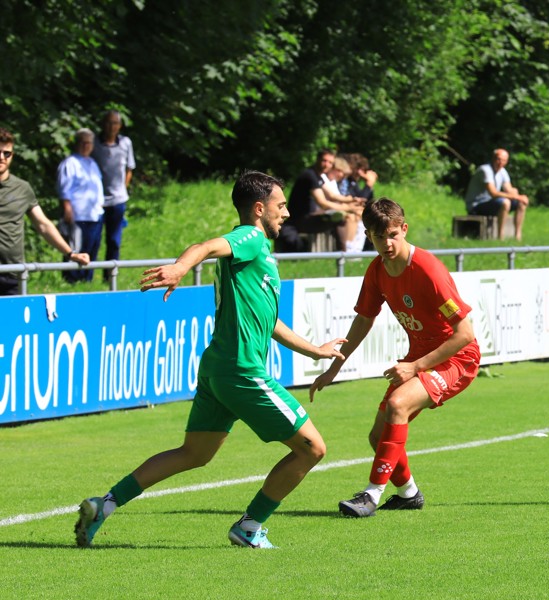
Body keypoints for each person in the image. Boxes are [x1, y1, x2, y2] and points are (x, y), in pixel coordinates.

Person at [74, 171, 347, 549]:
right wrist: (180, 267)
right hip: (241, 371)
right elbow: (204, 246)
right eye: (280, 206)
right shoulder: (250, 237)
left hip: (218, 367)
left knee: (194, 453)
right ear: (258, 208)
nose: (285, 213)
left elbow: (268, 321)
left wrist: (315, 350)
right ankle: (250, 527)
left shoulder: (256, 254)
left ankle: (103, 505)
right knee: (312, 448)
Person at [310, 198, 480, 518]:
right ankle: (408, 493)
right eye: (377, 236)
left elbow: (465, 334)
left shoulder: (428, 270)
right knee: (378, 437)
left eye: (391, 234)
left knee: (397, 405)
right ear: (367, 235)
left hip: (457, 357)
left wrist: (415, 366)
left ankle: (371, 495)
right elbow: (363, 321)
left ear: (404, 229)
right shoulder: (377, 270)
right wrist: (334, 367)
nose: (386, 243)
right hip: (420, 356)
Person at [0, 127, 89, 295]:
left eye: (7, 153)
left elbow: (43, 225)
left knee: (13, 322)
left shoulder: (22, 188)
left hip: (12, 274)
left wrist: (70, 253)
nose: (1, 158)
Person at [278, 149, 358, 252]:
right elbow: (323, 203)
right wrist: (348, 208)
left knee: (339, 215)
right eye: (324, 161)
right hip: (299, 220)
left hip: (308, 216)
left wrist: (351, 200)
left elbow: (332, 195)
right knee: (339, 219)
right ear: (318, 159)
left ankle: (347, 251)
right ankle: (343, 254)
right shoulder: (310, 176)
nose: (327, 165)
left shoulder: (317, 175)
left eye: (330, 163)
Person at [91, 110, 136, 281]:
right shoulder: (94, 143)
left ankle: (109, 278)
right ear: (103, 124)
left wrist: (123, 188)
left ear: (120, 126)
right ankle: (87, 276)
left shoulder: (125, 143)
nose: (112, 127)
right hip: (96, 201)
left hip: (117, 200)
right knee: (94, 240)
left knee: (114, 241)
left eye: (115, 123)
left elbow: (129, 169)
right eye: (109, 122)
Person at [57, 128, 105, 283]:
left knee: (91, 251)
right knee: (75, 250)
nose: (86, 146)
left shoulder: (92, 163)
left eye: (89, 143)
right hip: (77, 216)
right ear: (77, 144)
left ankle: (87, 281)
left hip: (94, 215)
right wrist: (67, 208)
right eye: (83, 142)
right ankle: (71, 281)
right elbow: (64, 188)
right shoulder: (70, 163)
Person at [464, 148, 530, 241]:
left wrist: (519, 196)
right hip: (476, 206)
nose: (500, 162)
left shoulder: (503, 172)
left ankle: (517, 236)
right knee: (505, 203)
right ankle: (500, 236)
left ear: (506, 161)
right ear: (493, 158)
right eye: (498, 159)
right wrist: (516, 196)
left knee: (521, 203)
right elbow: (493, 193)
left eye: (503, 160)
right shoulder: (485, 170)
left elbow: (509, 189)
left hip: (492, 203)